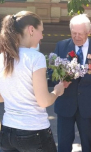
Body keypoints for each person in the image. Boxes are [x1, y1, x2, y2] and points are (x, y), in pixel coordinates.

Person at [0, 11, 65, 151]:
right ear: (31, 29)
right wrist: (57, 91)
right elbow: (44, 101)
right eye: (41, 31)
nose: (42, 36)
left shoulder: (3, 57)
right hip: (34, 131)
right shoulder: (36, 58)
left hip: (7, 132)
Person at [53, 14, 91, 151]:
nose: (77, 37)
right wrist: (61, 78)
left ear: (88, 32)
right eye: (74, 33)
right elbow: (52, 74)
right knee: (64, 143)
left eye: (80, 33)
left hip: (89, 105)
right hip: (66, 103)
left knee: (88, 143)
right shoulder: (61, 46)